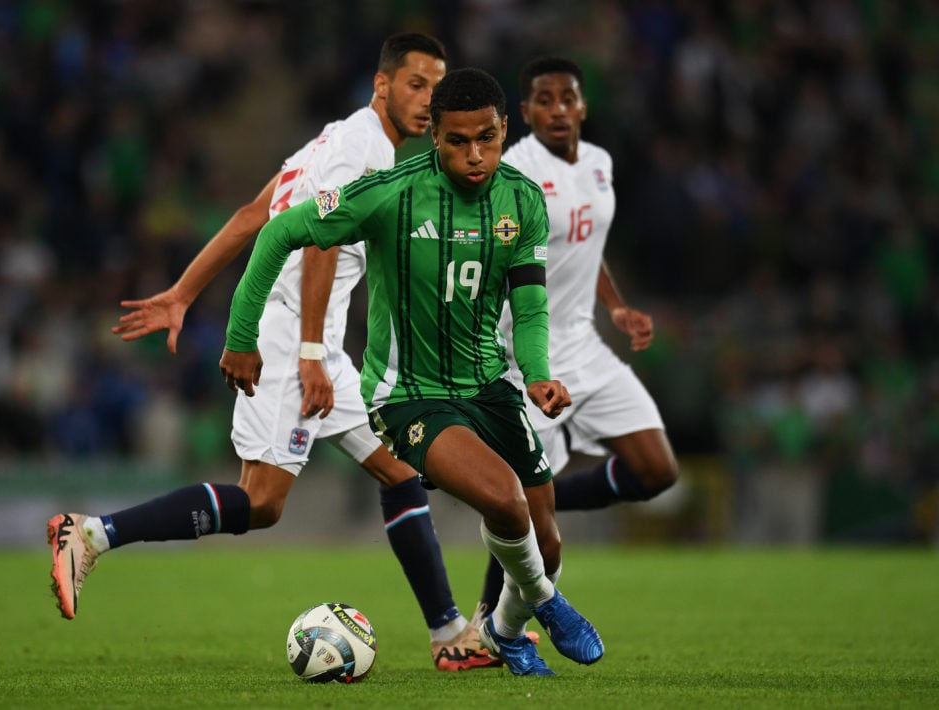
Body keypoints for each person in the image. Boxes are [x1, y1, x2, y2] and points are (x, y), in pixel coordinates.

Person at [47, 33, 499, 673]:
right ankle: (90, 534)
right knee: (260, 503)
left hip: (319, 341)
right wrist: (311, 354)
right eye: (416, 85)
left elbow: (252, 213)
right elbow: (320, 245)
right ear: (382, 86)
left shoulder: (333, 138)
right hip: (293, 339)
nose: (429, 101)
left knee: (399, 473)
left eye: (437, 86)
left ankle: (448, 631)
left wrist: (183, 292)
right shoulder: (362, 151)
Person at [220, 67, 605, 677]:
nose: (474, 155)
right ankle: (550, 607)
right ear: (436, 139)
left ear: (505, 129)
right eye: (457, 141)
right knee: (507, 503)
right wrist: (243, 336)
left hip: (491, 386)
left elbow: (529, 307)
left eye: (487, 138)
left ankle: (504, 631)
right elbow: (278, 234)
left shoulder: (524, 201)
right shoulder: (388, 192)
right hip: (409, 397)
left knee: (547, 541)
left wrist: (537, 375)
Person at [469, 56, 680, 624]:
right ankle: (485, 623)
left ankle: (557, 499)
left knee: (657, 470)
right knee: (522, 506)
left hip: (584, 344)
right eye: (544, 99)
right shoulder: (512, 173)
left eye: (568, 98)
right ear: (526, 111)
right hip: (526, 354)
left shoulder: (600, 164)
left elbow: (586, 241)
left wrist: (616, 306)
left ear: (583, 106)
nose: (557, 109)